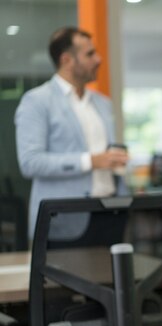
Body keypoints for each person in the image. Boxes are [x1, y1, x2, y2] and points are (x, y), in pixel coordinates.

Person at [15, 26, 128, 238]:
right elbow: (30, 162)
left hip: (112, 213)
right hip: (66, 221)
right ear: (66, 60)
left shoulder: (102, 103)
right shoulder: (37, 101)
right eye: (90, 54)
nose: (99, 59)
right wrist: (90, 161)